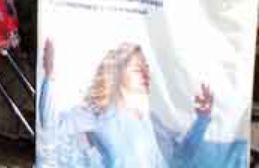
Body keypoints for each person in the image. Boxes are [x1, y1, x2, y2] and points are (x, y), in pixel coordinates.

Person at [38, 39, 248, 167]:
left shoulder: (151, 120)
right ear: (119, 74)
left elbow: (180, 160)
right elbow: (51, 123)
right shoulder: (99, 113)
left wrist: (202, 119)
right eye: (139, 69)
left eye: (147, 68)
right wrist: (50, 76)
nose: (147, 73)